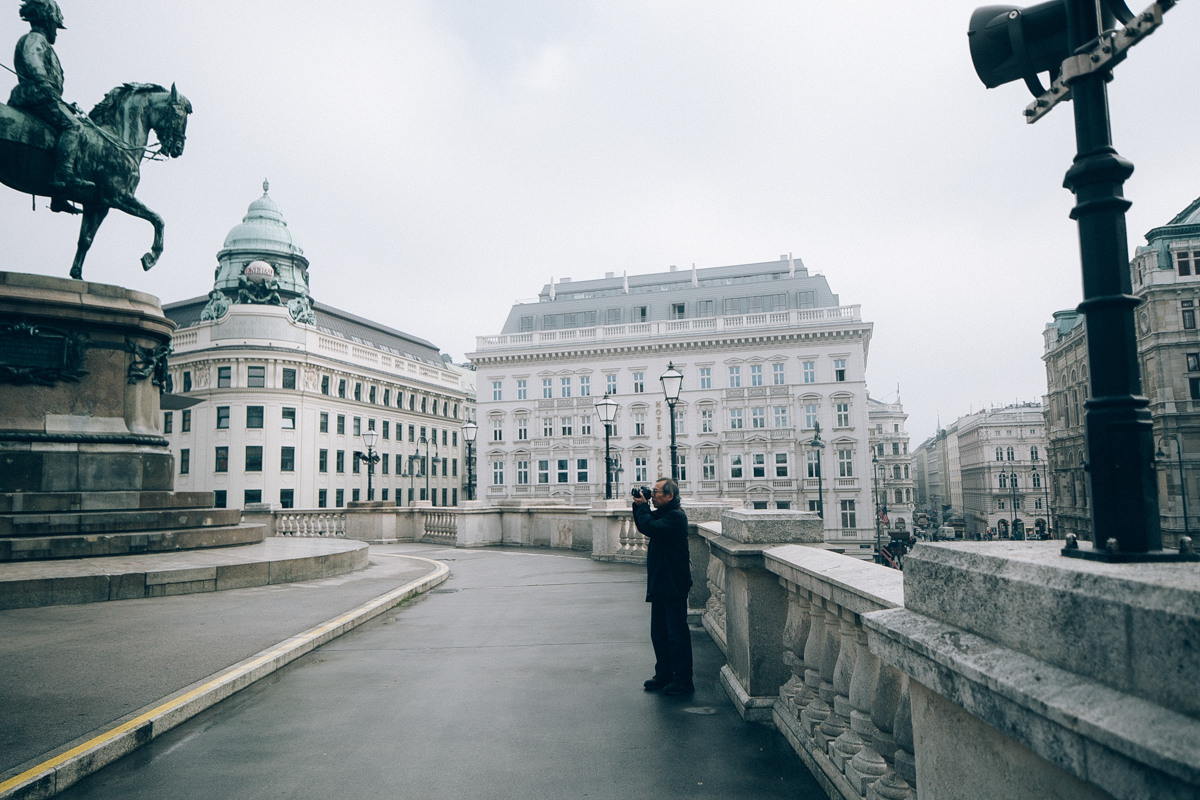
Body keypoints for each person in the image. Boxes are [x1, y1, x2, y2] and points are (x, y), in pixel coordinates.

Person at [8, 0, 94, 212]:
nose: (56, 30)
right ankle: (64, 175)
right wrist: (43, 82)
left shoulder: (40, 40)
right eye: (55, 25)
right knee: (73, 127)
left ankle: (58, 197)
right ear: (47, 21)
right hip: (36, 94)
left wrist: (62, 102)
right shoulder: (35, 39)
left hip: (43, 95)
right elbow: (32, 60)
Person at [632, 477, 693, 696]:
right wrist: (639, 504)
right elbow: (643, 524)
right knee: (659, 632)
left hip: (673, 583)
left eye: (657, 492)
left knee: (676, 635)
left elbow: (650, 526)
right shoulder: (666, 512)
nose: (654, 494)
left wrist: (643, 507)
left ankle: (683, 680)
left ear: (669, 495)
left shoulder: (676, 516)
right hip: (661, 582)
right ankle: (664, 674)